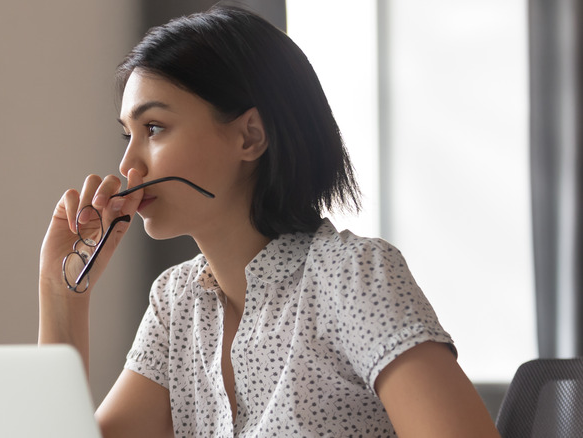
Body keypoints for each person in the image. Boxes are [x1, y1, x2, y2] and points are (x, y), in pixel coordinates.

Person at [38, 5, 500, 437]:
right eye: (128, 134)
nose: (129, 166)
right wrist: (61, 294)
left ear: (250, 136)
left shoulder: (351, 276)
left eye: (154, 128)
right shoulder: (176, 305)